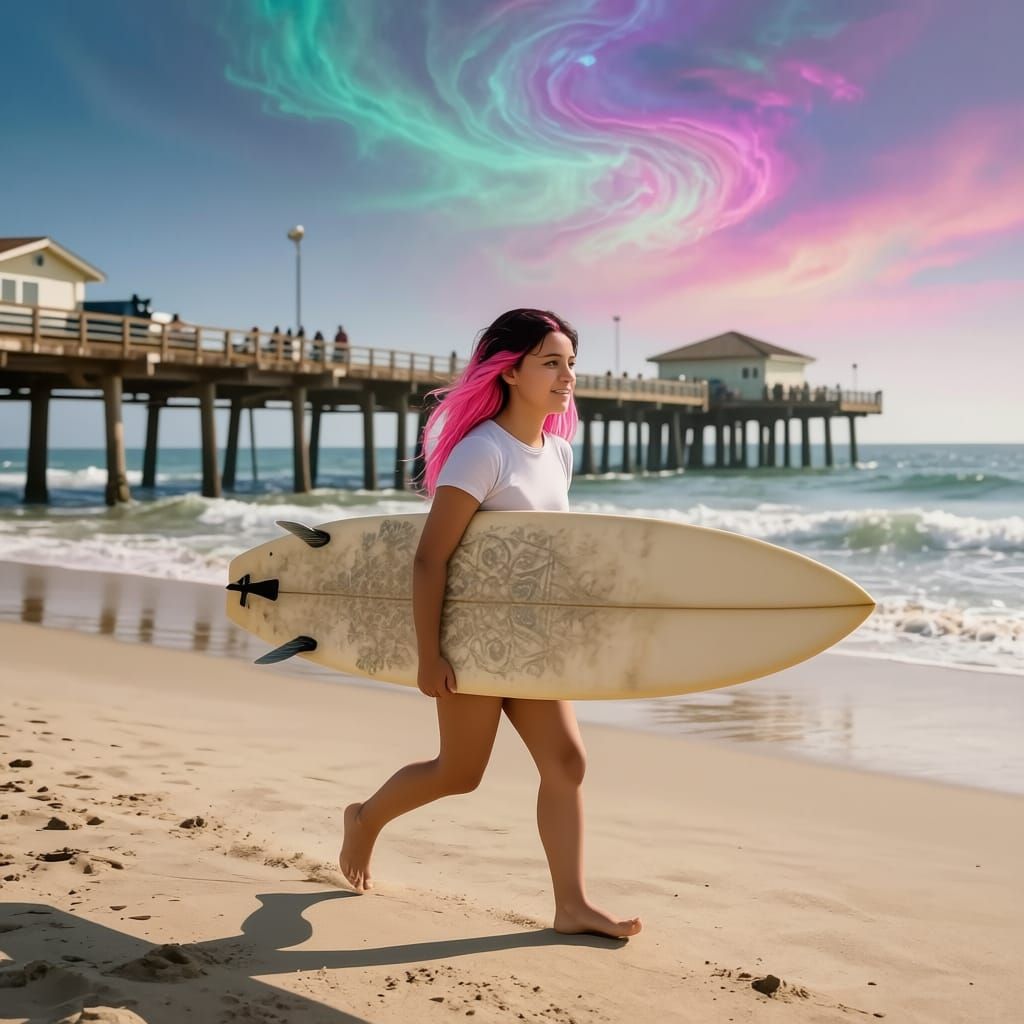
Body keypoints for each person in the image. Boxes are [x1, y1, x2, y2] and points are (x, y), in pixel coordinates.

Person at [338, 308, 642, 939]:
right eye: (550, 363)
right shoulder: (483, 451)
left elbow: (543, 556)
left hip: (530, 642)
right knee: (460, 773)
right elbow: (430, 558)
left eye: (570, 364)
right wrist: (430, 656)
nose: (567, 377)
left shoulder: (556, 452)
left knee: (567, 762)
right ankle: (365, 818)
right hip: (471, 643)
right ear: (510, 372)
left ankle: (571, 904)